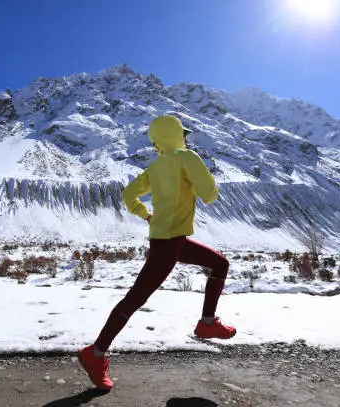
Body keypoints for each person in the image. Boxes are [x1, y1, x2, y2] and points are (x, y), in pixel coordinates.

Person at [78, 115, 236, 389]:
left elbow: (128, 194)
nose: (186, 138)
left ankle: (207, 323)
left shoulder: (156, 166)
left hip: (168, 239)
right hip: (169, 243)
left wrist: (146, 215)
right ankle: (95, 354)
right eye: (183, 133)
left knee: (219, 264)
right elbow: (209, 194)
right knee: (135, 299)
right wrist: (208, 185)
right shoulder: (187, 157)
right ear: (176, 135)